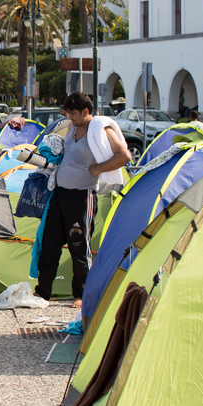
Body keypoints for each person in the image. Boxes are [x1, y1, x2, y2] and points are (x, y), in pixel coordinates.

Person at [35, 92, 132, 308]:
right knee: (49, 244)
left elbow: (124, 155)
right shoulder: (73, 128)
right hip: (60, 193)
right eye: (68, 113)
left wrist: (98, 168)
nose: (70, 117)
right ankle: (43, 292)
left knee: (79, 246)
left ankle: (81, 294)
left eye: (73, 114)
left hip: (82, 195)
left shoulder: (101, 129)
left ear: (86, 112)